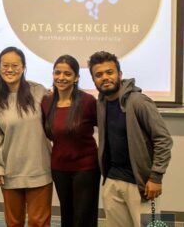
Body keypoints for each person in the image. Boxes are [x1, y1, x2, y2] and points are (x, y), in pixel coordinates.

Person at [87, 51, 172, 226]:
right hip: (112, 182)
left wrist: (156, 177)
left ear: (120, 74)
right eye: (98, 74)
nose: (105, 78)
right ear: (94, 80)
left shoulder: (139, 101)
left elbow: (163, 139)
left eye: (109, 72)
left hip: (142, 185)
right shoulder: (101, 103)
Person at [0, 46, 52, 227]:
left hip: (39, 169)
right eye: (5, 65)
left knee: (39, 223)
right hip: (10, 170)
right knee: (14, 223)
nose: (10, 70)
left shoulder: (39, 91)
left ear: (23, 67)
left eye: (15, 65)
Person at [41, 55, 99, 227]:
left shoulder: (88, 101)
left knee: (83, 218)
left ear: (76, 77)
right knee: (67, 215)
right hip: (59, 168)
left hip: (86, 168)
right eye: (57, 73)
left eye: (67, 74)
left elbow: (105, 127)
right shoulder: (46, 102)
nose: (61, 77)